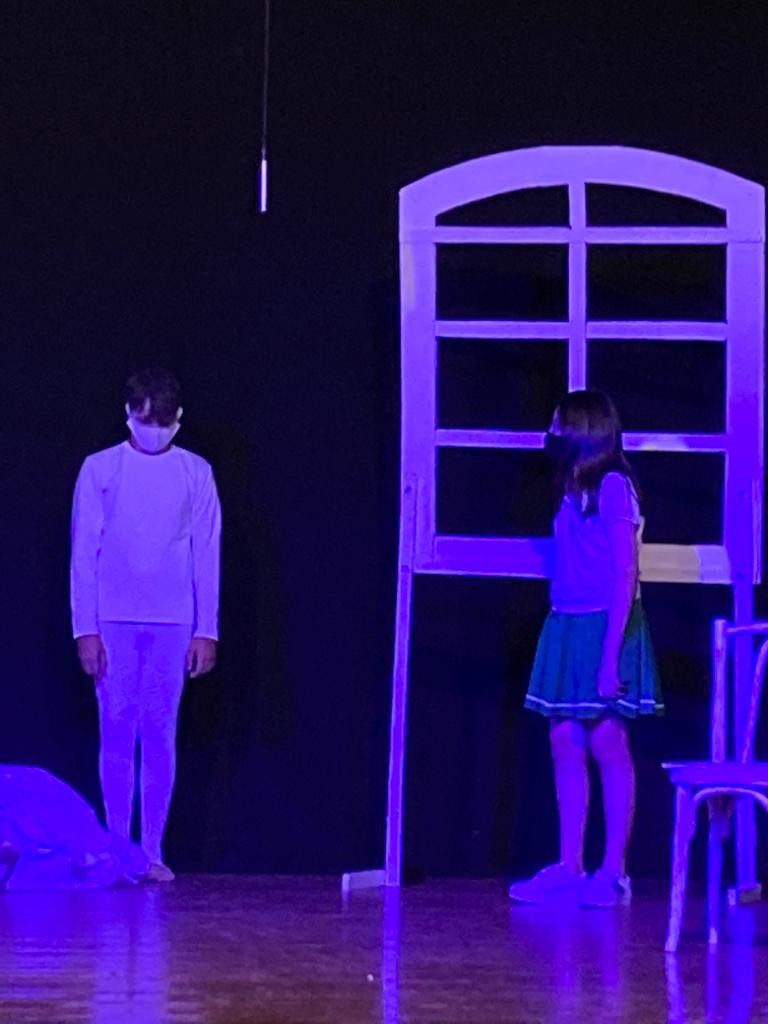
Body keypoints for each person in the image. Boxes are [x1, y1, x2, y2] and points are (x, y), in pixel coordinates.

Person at [509, 389, 662, 908]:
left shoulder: (614, 485)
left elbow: (625, 571)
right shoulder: (570, 486)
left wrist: (609, 656)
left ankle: (613, 872)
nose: (551, 433)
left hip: (605, 623)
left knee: (607, 742)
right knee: (565, 741)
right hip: (569, 619)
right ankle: (570, 866)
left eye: (559, 424)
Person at [71, 368, 221, 882]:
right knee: (116, 732)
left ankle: (152, 849)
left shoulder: (195, 472)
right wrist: (85, 629)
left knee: (160, 733)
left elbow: (207, 552)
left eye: (161, 422)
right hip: (112, 617)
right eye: (143, 420)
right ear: (128, 415)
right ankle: (118, 848)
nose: (152, 430)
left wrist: (207, 629)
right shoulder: (100, 468)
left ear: (177, 418)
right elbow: (83, 552)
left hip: (173, 619)